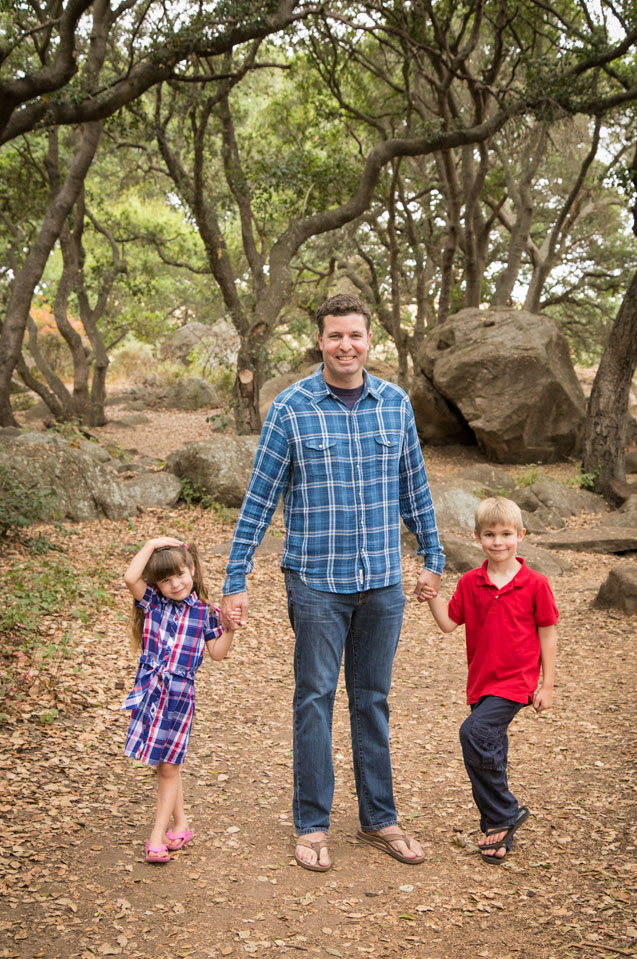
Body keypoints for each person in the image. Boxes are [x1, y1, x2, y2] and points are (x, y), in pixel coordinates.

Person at [221, 293, 444, 871]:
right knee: (315, 699)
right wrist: (235, 576)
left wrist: (433, 557)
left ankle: (380, 818)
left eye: (356, 335)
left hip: (382, 584)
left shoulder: (394, 405)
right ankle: (312, 823)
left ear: (370, 340)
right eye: (334, 336)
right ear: (319, 340)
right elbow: (260, 499)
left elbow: (414, 489)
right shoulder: (291, 408)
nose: (346, 345)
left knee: (373, 701)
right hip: (316, 582)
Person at [423, 496, 558, 864]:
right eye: (489, 535)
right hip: (481, 682)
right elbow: (449, 624)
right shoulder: (470, 582)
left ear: (521, 535)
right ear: (477, 537)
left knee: (473, 734)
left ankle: (504, 812)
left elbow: (548, 633)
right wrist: (433, 596)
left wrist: (546, 685)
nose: (498, 542)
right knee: (491, 750)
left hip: (516, 683)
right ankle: (498, 834)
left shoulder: (535, 584)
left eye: (506, 534)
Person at [122, 536, 238, 863]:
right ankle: (181, 825)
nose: (175, 584)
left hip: (179, 695)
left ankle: (157, 836)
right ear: (156, 583)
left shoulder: (205, 613)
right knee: (164, 766)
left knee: (168, 767)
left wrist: (228, 629)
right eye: (165, 579)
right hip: (151, 690)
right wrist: (152, 543)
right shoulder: (153, 603)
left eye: (180, 574)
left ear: (192, 569)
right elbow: (131, 578)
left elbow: (216, 654)